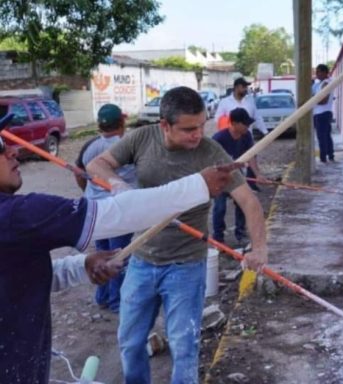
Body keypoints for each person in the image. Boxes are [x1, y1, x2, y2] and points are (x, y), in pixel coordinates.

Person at [0, 128, 234, 384]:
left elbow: (18, 278)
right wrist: (198, 185)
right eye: (1, 148)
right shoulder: (15, 215)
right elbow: (117, 213)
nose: (13, 151)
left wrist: (83, 265)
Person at [87, 86, 268, 384]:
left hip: (186, 266)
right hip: (142, 260)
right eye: (188, 129)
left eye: (201, 125)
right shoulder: (142, 138)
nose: (198, 134)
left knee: (185, 347)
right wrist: (117, 183)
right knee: (131, 343)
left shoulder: (211, 152)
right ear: (164, 126)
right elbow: (97, 164)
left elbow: (248, 201)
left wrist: (259, 248)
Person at [75, 103, 137, 313]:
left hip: (95, 210)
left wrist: (91, 193)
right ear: (121, 122)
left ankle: (102, 297)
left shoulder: (90, 146)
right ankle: (116, 301)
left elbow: (79, 173)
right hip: (118, 210)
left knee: (102, 254)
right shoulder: (127, 146)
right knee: (118, 256)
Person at [211, 108, 267, 245]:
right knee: (220, 207)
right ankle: (218, 238)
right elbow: (209, 162)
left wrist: (258, 175)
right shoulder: (219, 138)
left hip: (236, 175)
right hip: (220, 177)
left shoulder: (246, 136)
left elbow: (251, 157)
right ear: (234, 123)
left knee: (242, 203)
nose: (248, 127)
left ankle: (240, 234)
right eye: (245, 124)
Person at [312, 64, 335, 163]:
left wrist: (312, 101)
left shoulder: (326, 83)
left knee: (322, 137)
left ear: (325, 73)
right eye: (316, 72)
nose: (316, 74)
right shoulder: (320, 83)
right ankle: (330, 155)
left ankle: (323, 158)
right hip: (322, 113)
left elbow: (323, 100)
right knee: (326, 136)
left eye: (319, 72)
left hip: (322, 113)